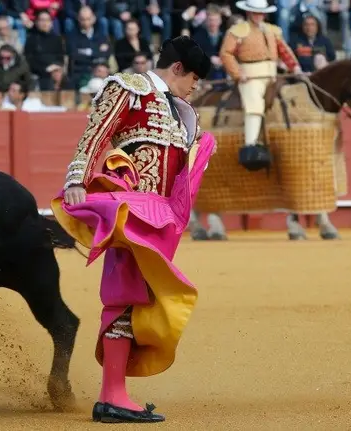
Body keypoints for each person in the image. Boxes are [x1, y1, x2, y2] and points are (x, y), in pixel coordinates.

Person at [51, 35, 215, 424]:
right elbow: (96, 132)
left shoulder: (182, 109)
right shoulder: (131, 87)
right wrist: (77, 178)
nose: (196, 86)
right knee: (126, 297)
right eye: (193, 77)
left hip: (159, 219)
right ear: (177, 68)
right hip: (131, 213)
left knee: (139, 298)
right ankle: (111, 395)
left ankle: (114, 392)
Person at [219, 0, 302, 163]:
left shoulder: (272, 30)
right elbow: (226, 54)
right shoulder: (238, 30)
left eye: (261, 13)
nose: (259, 16)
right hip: (250, 76)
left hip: (273, 75)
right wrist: (238, 73)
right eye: (256, 12)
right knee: (254, 103)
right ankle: (250, 146)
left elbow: (284, 50)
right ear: (249, 13)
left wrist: (295, 67)